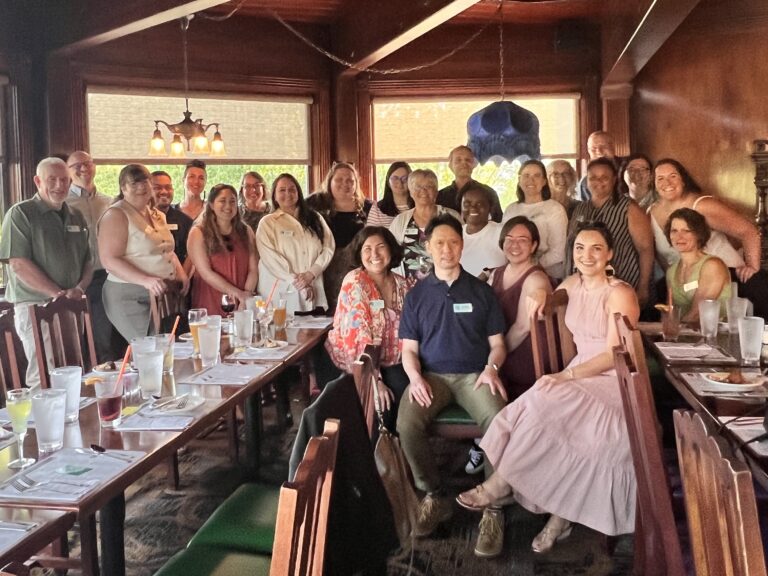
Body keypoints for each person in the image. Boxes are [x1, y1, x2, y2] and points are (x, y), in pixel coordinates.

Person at [457, 222, 639, 558]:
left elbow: (616, 356)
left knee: (561, 408)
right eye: (580, 248)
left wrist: (567, 377)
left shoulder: (619, 292)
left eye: (596, 248)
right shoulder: (572, 283)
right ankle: (516, 490)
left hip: (616, 379)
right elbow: (550, 291)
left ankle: (542, 509)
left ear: (610, 254)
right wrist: (540, 293)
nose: (587, 255)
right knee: (537, 405)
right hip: (582, 373)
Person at [396, 213, 508, 557]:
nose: (447, 249)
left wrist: (491, 369)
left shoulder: (481, 291)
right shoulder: (416, 296)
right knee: (406, 423)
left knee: (500, 421)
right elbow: (408, 351)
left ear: (463, 245)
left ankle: (494, 505)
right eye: (440, 243)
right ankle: (433, 494)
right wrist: (415, 378)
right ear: (428, 247)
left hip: (475, 376)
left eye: (454, 242)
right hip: (431, 377)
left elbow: (498, 344)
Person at [465, 216, 553, 478]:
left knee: (479, 376)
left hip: (523, 355)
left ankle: (492, 447)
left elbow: (522, 328)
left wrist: (493, 356)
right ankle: (485, 440)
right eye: (510, 239)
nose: (515, 245)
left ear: (535, 245)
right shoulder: (497, 272)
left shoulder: (535, 278)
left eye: (523, 240)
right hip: (501, 349)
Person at [0, 157, 93, 390]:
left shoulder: (76, 216)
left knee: (72, 371)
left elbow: (88, 261)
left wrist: (79, 288)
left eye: (64, 180)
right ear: (37, 181)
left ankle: (72, 422)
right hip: (35, 306)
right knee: (44, 375)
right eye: (52, 180)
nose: (59, 185)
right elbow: (18, 264)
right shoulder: (21, 214)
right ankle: (41, 426)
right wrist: (57, 293)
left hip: (71, 305)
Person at [649, 158, 766, 317]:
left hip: (728, 277)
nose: (667, 182)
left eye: (673, 176)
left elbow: (748, 231)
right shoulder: (651, 212)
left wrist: (752, 267)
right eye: (660, 178)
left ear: (683, 180)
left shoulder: (702, 205)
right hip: (686, 283)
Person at [324, 226, 411, 428]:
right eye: (367, 249)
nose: (375, 254)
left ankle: (397, 454)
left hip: (395, 362)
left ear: (391, 250)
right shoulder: (355, 283)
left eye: (381, 247)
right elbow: (358, 339)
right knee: (382, 404)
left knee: (410, 401)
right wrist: (375, 380)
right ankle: (378, 455)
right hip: (359, 364)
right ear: (359, 253)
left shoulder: (403, 285)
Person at [99, 164, 188, 342]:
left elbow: (167, 250)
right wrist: (146, 280)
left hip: (162, 294)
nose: (141, 187)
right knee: (150, 348)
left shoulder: (157, 215)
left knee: (170, 348)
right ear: (123, 188)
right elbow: (109, 260)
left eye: (145, 182)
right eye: (134, 183)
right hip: (129, 295)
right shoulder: (116, 214)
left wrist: (181, 273)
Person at [566, 158, 654, 307]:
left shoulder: (629, 208)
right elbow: (571, 247)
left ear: (614, 180)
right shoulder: (580, 209)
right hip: (584, 289)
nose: (598, 182)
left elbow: (646, 249)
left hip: (623, 286)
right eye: (593, 177)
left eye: (604, 177)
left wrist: (643, 287)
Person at [256, 173, 335, 313]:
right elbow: (271, 259)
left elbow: (328, 247)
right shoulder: (268, 223)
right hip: (282, 295)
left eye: (292, 189)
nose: (288, 193)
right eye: (282, 190)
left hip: (314, 291)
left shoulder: (315, 218)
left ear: (298, 193)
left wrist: (311, 274)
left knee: (315, 333)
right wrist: (299, 283)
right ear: (274, 195)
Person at [65, 150, 114, 362]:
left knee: (103, 338)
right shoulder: (63, 204)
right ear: (67, 171)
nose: (83, 168)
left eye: (88, 163)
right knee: (73, 343)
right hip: (74, 280)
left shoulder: (108, 201)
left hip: (105, 276)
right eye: (76, 165)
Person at [306, 162, 371, 312]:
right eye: (339, 180)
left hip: (356, 271)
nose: (345, 184)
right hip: (322, 269)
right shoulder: (313, 204)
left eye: (350, 180)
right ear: (330, 182)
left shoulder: (368, 207)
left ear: (356, 184)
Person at [187, 184, 259, 315]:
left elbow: (253, 268)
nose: (228, 206)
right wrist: (238, 294)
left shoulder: (246, 231)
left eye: (232, 201)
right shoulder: (198, 232)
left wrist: (246, 297)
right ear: (211, 205)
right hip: (211, 300)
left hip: (243, 301)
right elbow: (206, 273)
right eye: (222, 201)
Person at [389, 169, 460, 282]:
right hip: (409, 290)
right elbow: (391, 253)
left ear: (436, 191)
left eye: (429, 186)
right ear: (411, 192)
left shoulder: (452, 217)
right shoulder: (400, 221)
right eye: (417, 187)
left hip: (447, 285)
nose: (423, 191)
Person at [502, 160, 568, 280]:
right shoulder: (511, 209)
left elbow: (559, 251)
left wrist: (529, 267)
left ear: (544, 181)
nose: (531, 180)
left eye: (536, 176)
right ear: (519, 180)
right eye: (526, 175)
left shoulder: (555, 209)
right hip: (515, 274)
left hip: (548, 275)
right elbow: (504, 244)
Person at [665, 208, 731, 322]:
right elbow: (670, 314)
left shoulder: (713, 266)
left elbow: (697, 314)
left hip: (714, 334)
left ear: (699, 234)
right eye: (674, 230)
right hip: (683, 334)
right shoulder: (671, 271)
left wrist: (674, 330)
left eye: (686, 230)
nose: (679, 236)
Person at [436, 145, 503, 221]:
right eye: (458, 160)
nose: (464, 163)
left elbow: (498, 222)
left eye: (468, 160)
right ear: (450, 165)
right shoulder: (440, 196)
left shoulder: (488, 193)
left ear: (474, 164)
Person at [459, 184, 506, 277]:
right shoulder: (454, 233)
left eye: (479, 204)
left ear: (490, 207)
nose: (473, 208)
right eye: (467, 204)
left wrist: (487, 273)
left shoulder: (502, 232)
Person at [150, 170, 193, 265]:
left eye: (168, 187)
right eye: (157, 188)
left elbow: (192, 255)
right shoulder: (139, 218)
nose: (164, 192)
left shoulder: (186, 222)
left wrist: (183, 277)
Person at [366, 161, 414, 228]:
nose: (400, 183)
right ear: (388, 182)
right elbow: (370, 235)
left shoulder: (419, 206)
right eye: (395, 178)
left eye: (405, 179)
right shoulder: (377, 209)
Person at [577, 131, 619, 201]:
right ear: (589, 151)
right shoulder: (585, 182)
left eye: (603, 146)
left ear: (613, 147)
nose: (599, 151)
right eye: (593, 148)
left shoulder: (628, 169)